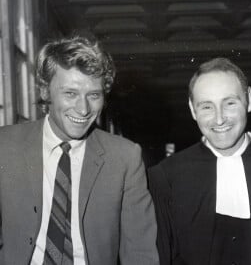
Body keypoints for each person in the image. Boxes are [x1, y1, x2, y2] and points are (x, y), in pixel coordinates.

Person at [0, 36, 159, 264]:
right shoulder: (4, 147)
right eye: (70, 93)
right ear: (45, 92)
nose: (83, 109)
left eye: (93, 95)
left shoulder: (125, 158)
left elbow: (140, 253)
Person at [148, 57, 251, 265]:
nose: (219, 119)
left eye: (230, 103)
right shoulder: (166, 177)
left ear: (249, 100)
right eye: (207, 107)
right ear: (192, 109)